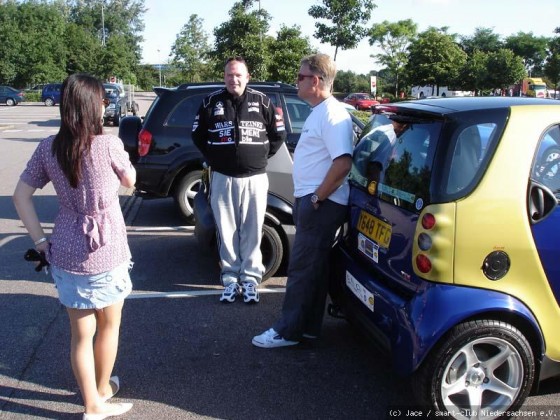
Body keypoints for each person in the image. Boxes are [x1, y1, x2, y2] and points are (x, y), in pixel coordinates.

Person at [13, 74, 135, 419]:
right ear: (91, 105)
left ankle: (93, 400)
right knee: (108, 324)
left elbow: (21, 196)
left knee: (81, 334)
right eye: (102, 100)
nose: (105, 105)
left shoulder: (50, 146)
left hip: (65, 245)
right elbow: (130, 180)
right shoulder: (107, 144)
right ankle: (98, 396)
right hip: (106, 245)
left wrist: (40, 241)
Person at [252, 53, 353, 348]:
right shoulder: (320, 111)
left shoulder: (333, 115)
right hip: (313, 200)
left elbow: (343, 163)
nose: (296, 81)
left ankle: (287, 331)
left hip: (320, 203)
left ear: (317, 81)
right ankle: (307, 328)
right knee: (314, 269)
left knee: (302, 269)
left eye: (300, 77)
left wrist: (317, 198)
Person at [192, 56, 286, 304]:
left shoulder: (263, 101)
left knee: (253, 229)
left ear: (247, 77)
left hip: (255, 178)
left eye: (238, 75)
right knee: (226, 229)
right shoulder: (211, 102)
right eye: (229, 75)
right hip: (222, 177)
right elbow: (198, 135)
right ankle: (231, 277)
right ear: (224, 77)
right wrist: (216, 157)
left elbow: (278, 136)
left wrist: (258, 157)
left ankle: (251, 278)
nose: (233, 79)